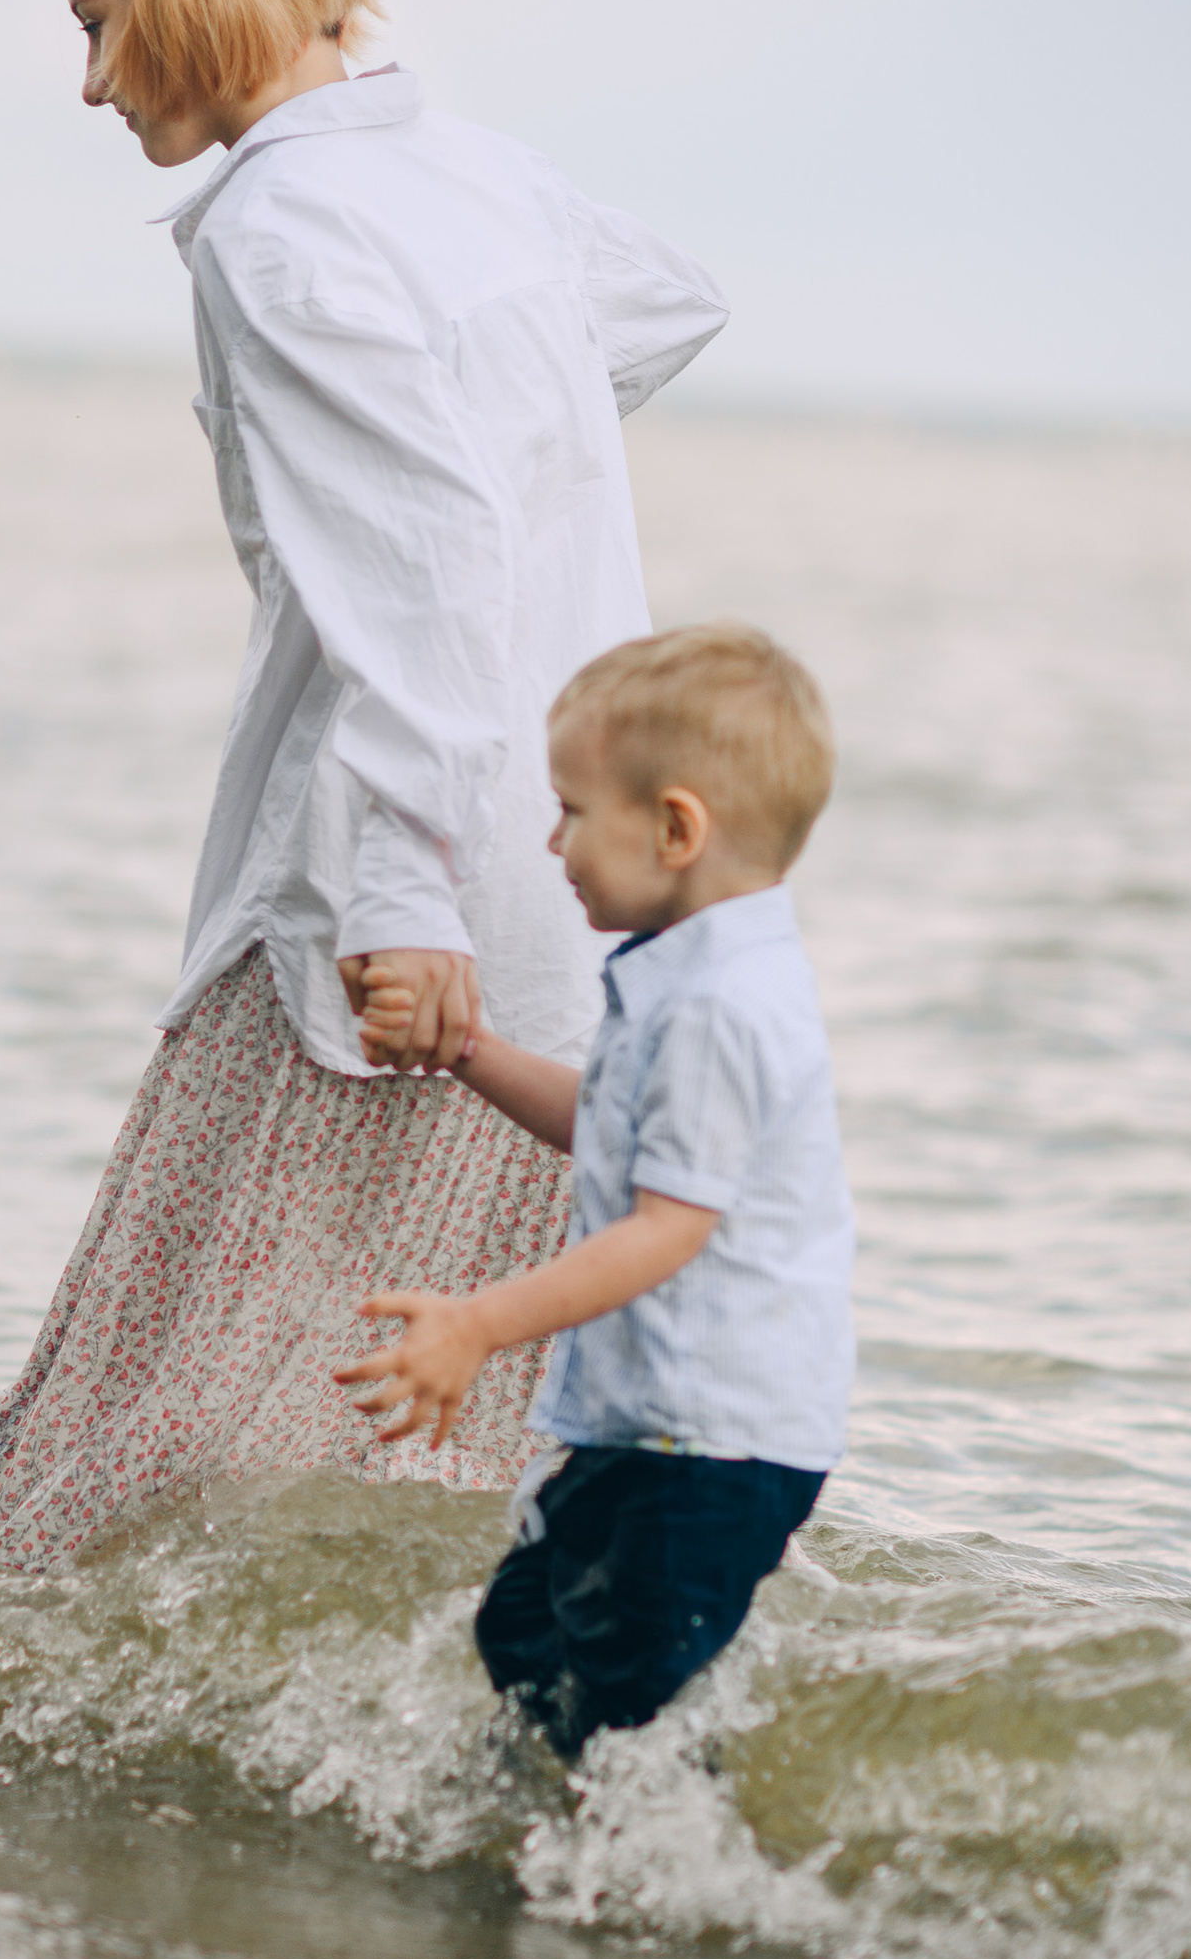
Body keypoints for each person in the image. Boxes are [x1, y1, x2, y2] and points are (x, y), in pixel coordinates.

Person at [0, 0, 727, 1569]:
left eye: (102, 31)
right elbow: (663, 302)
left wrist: (404, 886)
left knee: (144, 1433)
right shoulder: (470, 174)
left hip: (380, 921)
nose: (96, 90)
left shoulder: (284, 234)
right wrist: (516, 454)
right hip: (566, 910)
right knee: (446, 1459)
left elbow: (417, 587)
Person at [336, 623, 853, 1756]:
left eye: (572, 808)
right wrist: (464, 1050)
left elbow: (666, 1229)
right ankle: (569, 1853)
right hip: (651, 1424)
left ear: (676, 827)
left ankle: (639, 1890)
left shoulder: (721, 1005)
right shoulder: (684, 975)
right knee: (525, 1635)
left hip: (715, 1437)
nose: (550, 838)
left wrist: (477, 1322)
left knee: (625, 1697)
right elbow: (601, 1129)